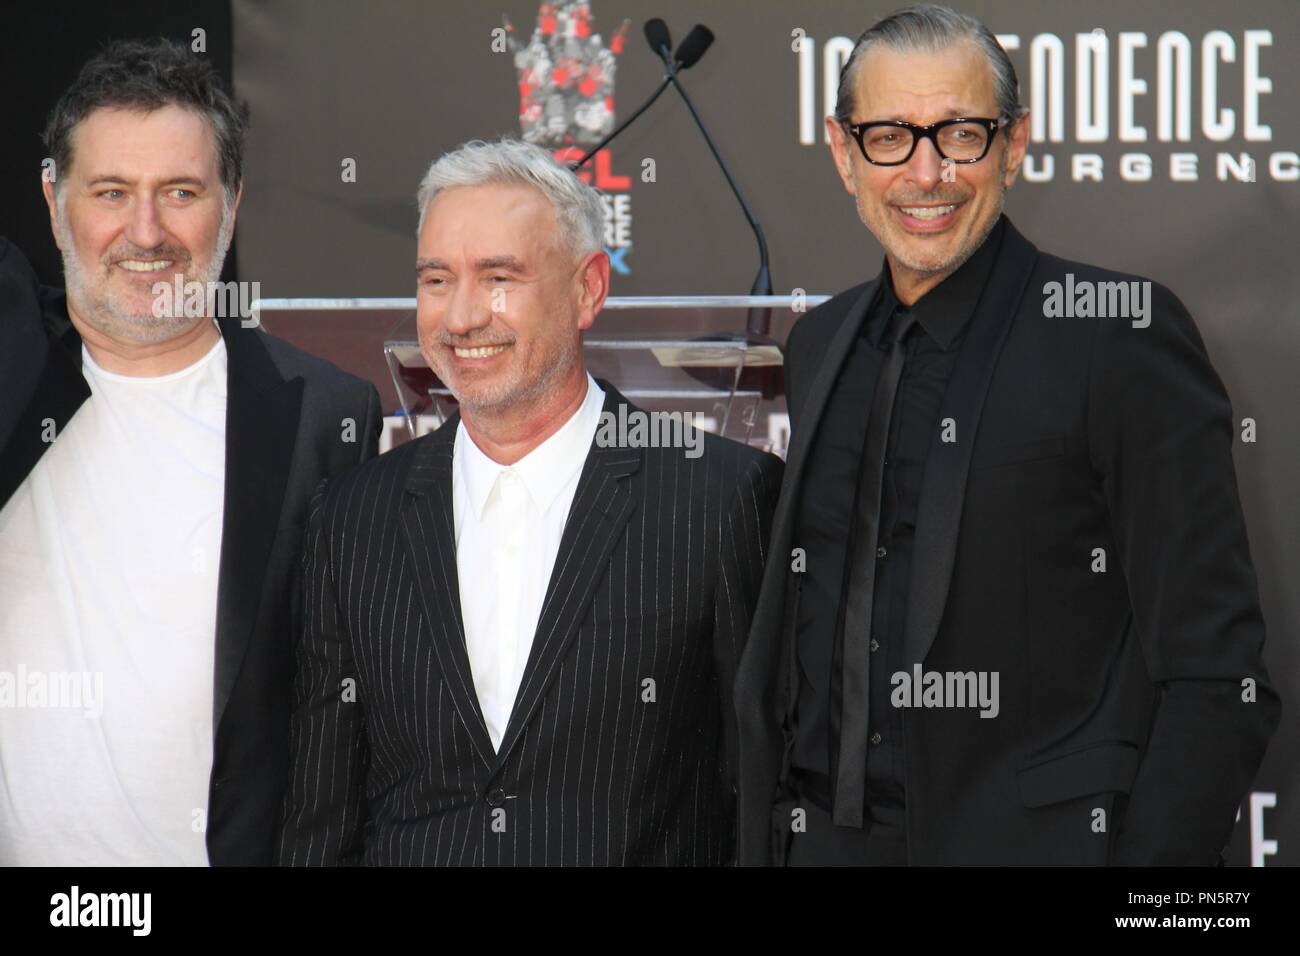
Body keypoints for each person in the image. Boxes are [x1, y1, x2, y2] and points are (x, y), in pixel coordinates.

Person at [734, 4, 1279, 866]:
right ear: (843, 155)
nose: (926, 173)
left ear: (1014, 144)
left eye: (961, 134)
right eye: (889, 137)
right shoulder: (819, 344)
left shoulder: (1115, 335)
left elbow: (1216, 677)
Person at [276, 138, 782, 865]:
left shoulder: (719, 498)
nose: (460, 318)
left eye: (499, 277)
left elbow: (759, 792)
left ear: (588, 289)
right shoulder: (353, 517)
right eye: (436, 280)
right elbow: (320, 816)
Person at [0, 38, 380, 866]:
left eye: (181, 191)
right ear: (53, 198)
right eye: (110, 191)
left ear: (232, 205)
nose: (147, 231)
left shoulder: (326, 414)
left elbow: (353, 716)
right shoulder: (12, 375)